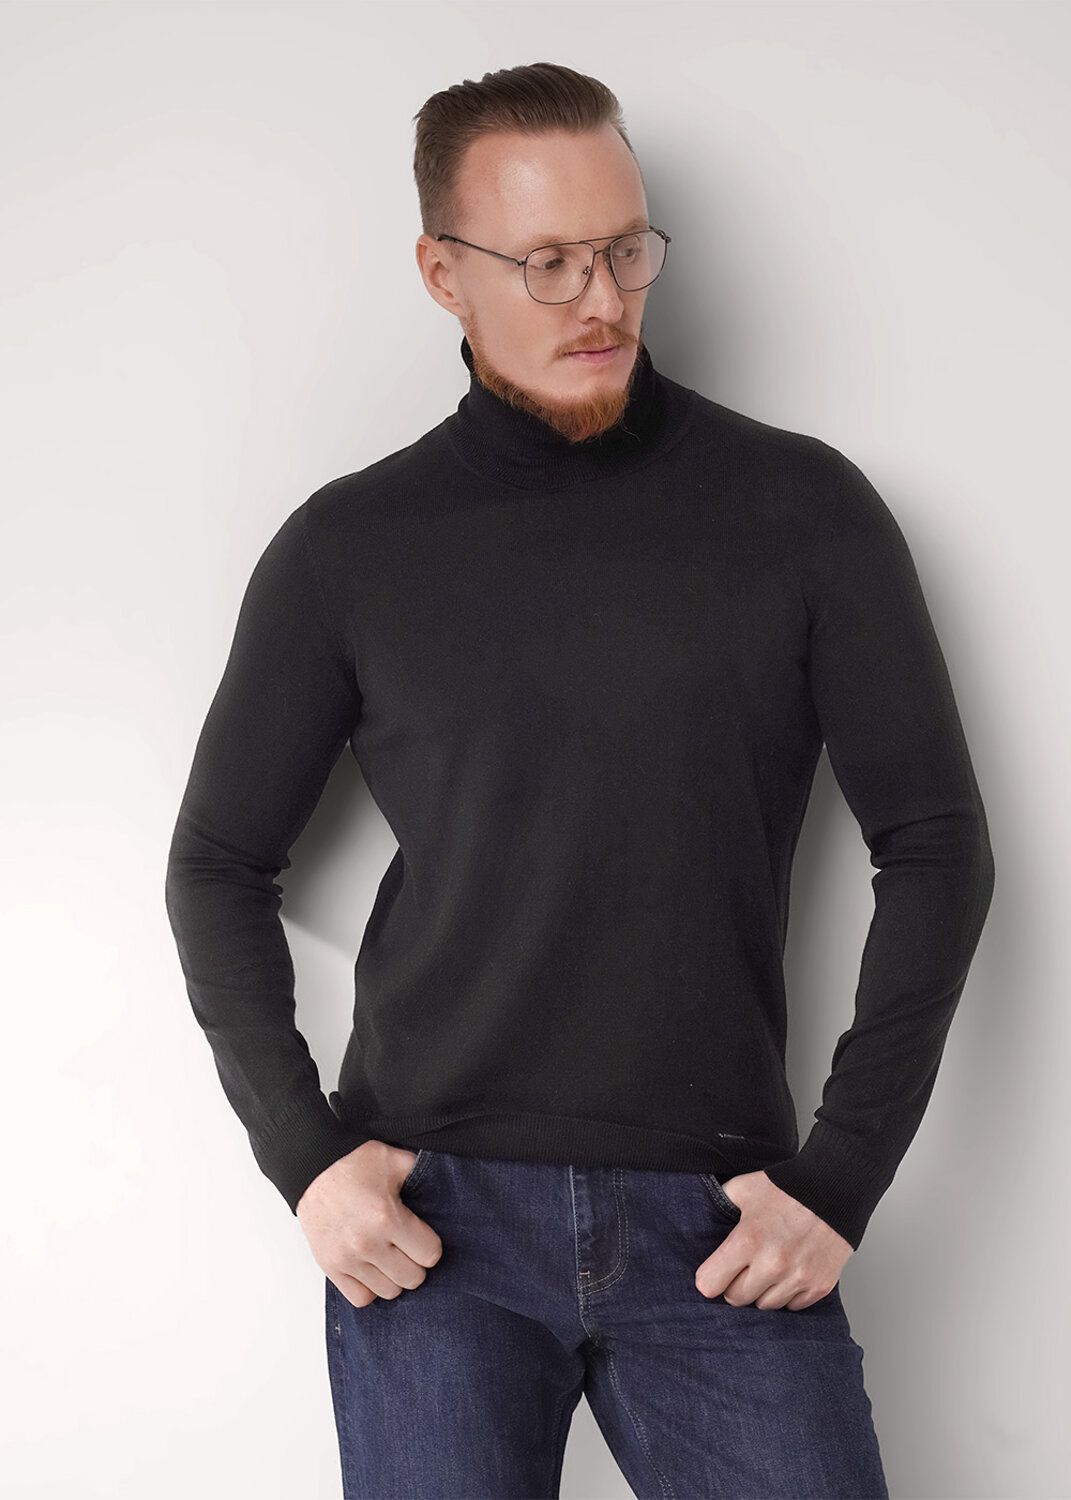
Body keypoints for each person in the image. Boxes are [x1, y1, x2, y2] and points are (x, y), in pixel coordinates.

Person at [165, 61, 995, 1500]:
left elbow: (934, 847)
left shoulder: (804, 511)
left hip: (724, 1222)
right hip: (434, 1228)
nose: (600, 299)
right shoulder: (349, 548)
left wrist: (842, 1175)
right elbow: (216, 866)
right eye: (546, 263)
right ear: (443, 274)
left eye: (624, 250)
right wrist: (306, 1159)